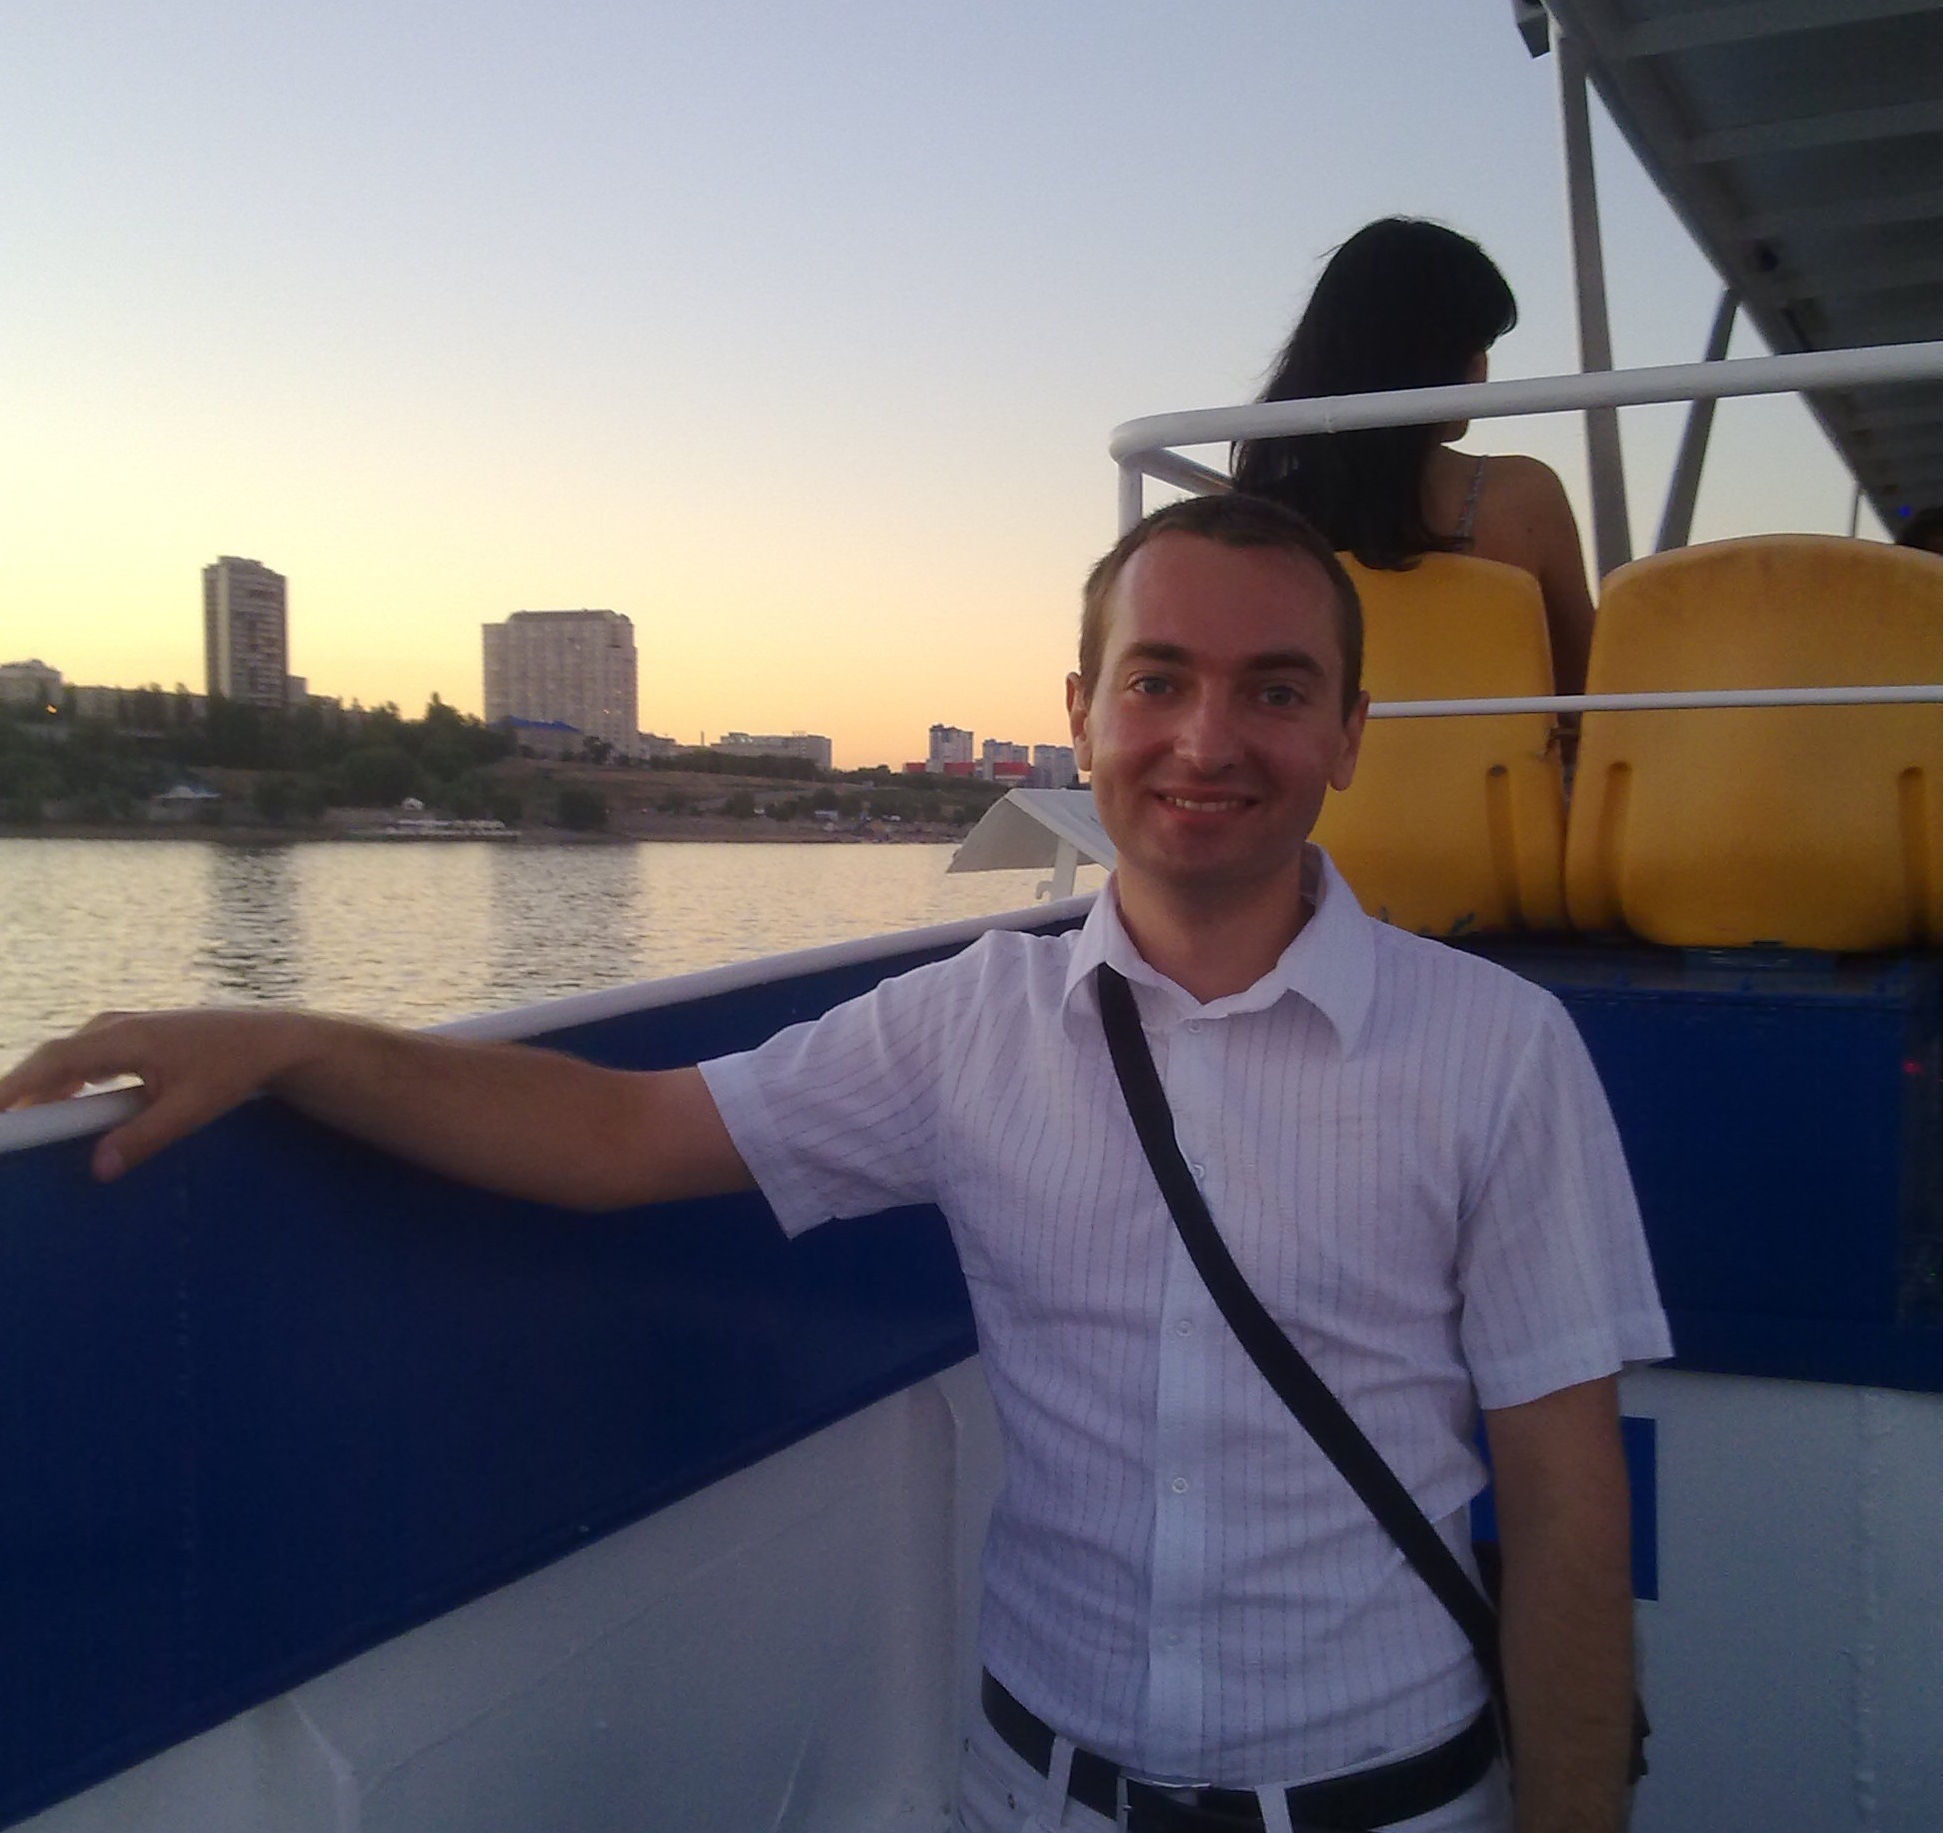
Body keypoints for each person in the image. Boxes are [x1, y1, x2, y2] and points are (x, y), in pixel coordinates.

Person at [0, 495, 1668, 1833]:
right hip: (1038, 1791)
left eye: (1274, 690)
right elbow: (615, 1135)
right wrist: (295, 1042)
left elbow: (1564, 1510)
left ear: (1350, 733)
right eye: (1157, 680)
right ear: (1080, 716)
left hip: (1392, 1798)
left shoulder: (1495, 1051)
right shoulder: (964, 1028)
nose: (1205, 736)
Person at [1232, 217, 1599, 700]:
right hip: (1494, 752)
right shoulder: (1525, 496)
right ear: (1433, 360)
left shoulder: (1254, 518)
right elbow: (1592, 689)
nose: (1483, 370)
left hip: (1321, 752)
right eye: (1477, 347)